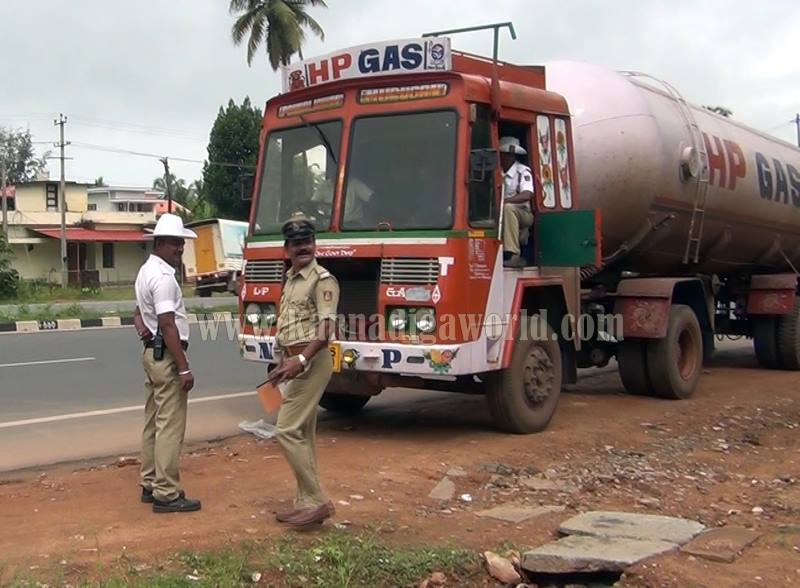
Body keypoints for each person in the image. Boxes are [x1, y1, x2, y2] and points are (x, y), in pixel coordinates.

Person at [267, 212, 340, 527]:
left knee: (285, 429)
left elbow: (325, 331)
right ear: (287, 248)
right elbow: (289, 325)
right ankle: (305, 503)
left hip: (311, 362)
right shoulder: (291, 278)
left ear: (315, 244)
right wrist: (280, 359)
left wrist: (299, 361)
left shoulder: (322, 280)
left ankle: (319, 500)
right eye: (296, 243)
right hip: (294, 362)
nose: (302, 248)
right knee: (304, 434)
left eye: (307, 241)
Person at [133, 213, 201, 513]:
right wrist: (184, 367)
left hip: (151, 353)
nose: (180, 249)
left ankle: (149, 483)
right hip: (167, 357)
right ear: (160, 243)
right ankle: (167, 493)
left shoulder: (145, 270)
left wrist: (142, 327)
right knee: (170, 427)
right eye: (175, 243)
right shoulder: (163, 279)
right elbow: (168, 323)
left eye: (182, 243)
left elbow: (139, 313)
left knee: (153, 422)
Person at [499, 136, 535, 268]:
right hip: (503, 214)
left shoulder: (523, 171)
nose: (507, 157)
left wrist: (503, 202)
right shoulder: (497, 172)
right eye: (505, 154)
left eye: (510, 154)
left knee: (508, 208)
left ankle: (514, 254)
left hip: (524, 215)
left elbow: (527, 194)